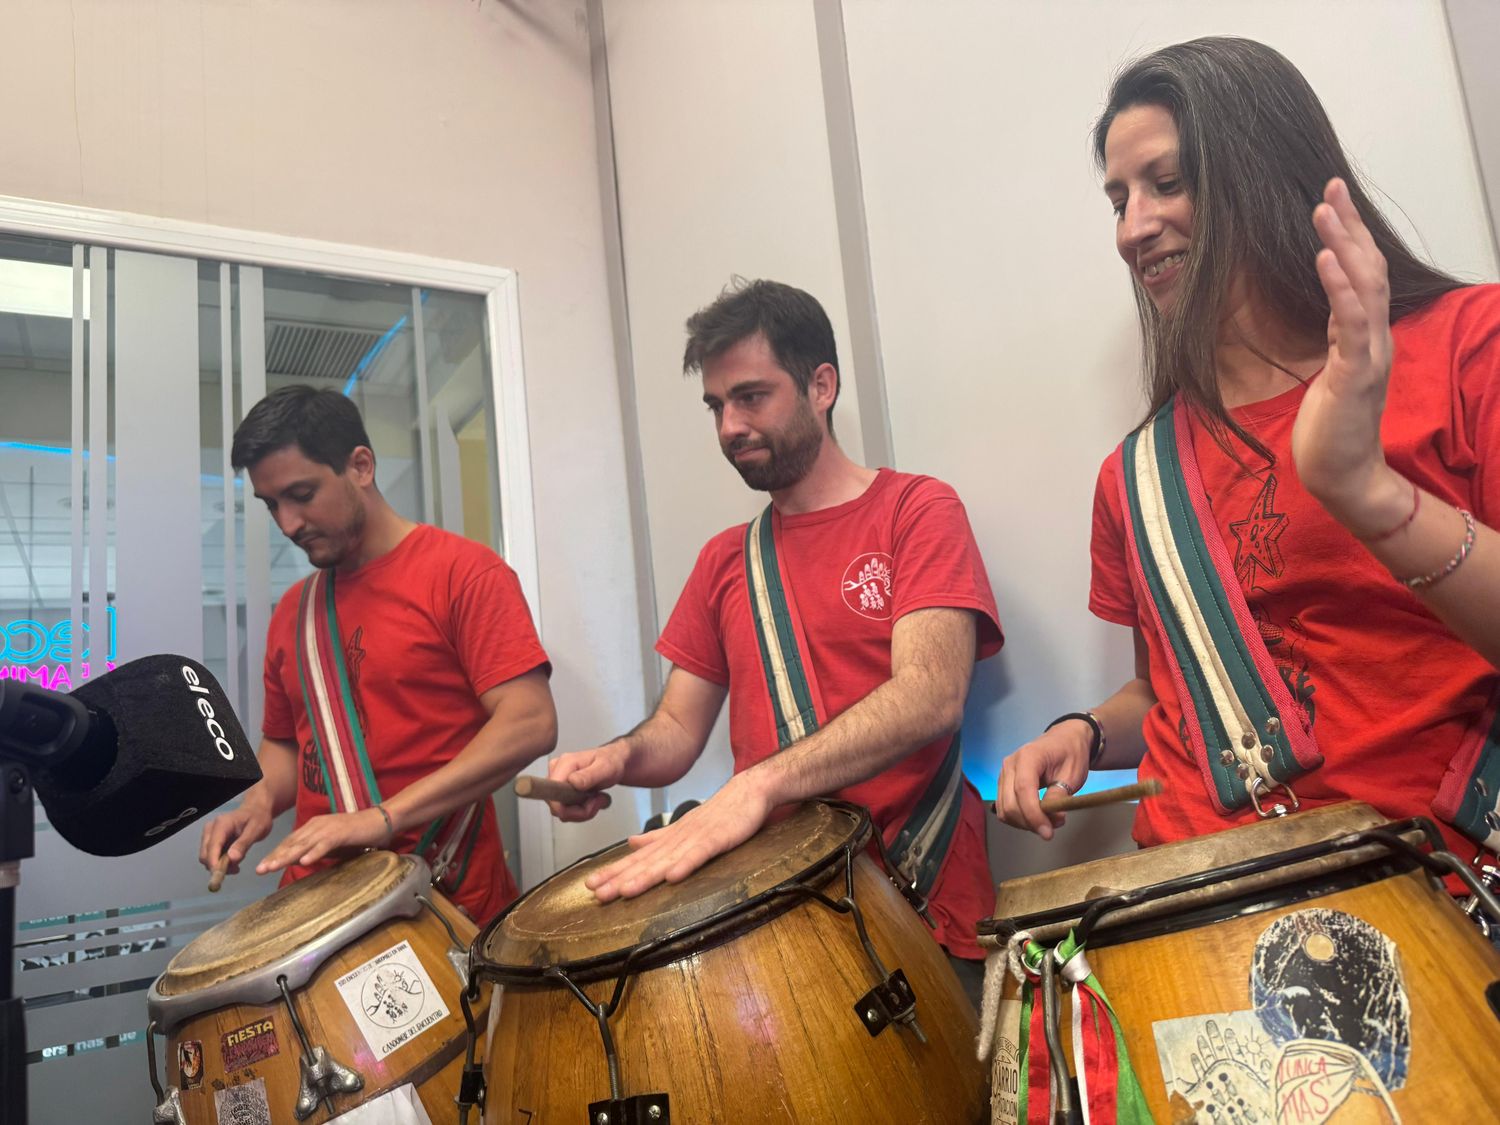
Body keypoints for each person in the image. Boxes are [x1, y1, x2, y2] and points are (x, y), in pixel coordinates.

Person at [996, 37, 1500, 868]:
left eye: (1168, 182)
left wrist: (1366, 490)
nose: (1133, 226)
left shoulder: (1467, 346)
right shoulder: (1136, 475)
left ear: (1262, 171)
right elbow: (1169, 687)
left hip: (1433, 883)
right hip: (1197, 890)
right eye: (1118, 199)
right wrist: (1082, 732)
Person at [546, 280, 1004, 995]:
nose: (729, 425)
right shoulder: (723, 560)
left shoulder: (918, 510)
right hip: (786, 926)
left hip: (925, 911)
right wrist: (615, 758)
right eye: (717, 405)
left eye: (751, 396)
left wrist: (759, 785)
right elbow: (675, 727)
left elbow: (932, 693)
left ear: (821, 385)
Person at [199, 386, 556, 924]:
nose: (288, 523)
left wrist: (383, 818)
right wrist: (258, 805)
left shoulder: (464, 574)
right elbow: (285, 743)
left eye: (302, 494)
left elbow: (529, 722)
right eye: (272, 504)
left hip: (443, 899)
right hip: (318, 911)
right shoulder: (294, 611)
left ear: (360, 466)